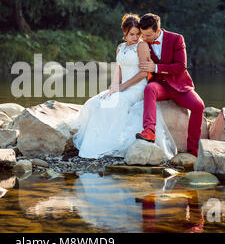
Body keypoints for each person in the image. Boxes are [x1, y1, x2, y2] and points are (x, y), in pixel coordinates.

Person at [70, 14, 177, 159]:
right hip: (123, 86)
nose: (135, 37)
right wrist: (114, 86)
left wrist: (121, 88)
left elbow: (143, 73)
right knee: (98, 102)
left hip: (137, 88)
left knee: (117, 104)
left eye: (137, 34)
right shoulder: (120, 48)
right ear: (124, 34)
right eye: (131, 34)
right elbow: (118, 70)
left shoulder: (142, 46)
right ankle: (98, 142)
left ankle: (112, 144)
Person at [136, 13, 205, 156]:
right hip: (160, 86)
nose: (144, 39)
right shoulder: (143, 44)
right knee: (149, 89)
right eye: (143, 35)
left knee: (199, 106)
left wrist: (156, 68)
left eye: (148, 35)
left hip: (179, 85)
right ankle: (149, 130)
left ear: (157, 30)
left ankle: (193, 150)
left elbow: (181, 66)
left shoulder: (177, 39)